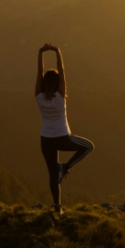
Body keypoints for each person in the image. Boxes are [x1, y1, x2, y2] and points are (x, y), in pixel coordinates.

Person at [36, 43, 94, 215]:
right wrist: (57, 51)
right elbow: (62, 71)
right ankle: (66, 167)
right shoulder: (60, 97)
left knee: (52, 174)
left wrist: (40, 53)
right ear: (57, 84)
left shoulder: (39, 97)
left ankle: (57, 207)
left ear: (44, 83)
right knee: (88, 146)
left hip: (45, 140)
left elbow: (39, 72)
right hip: (63, 137)